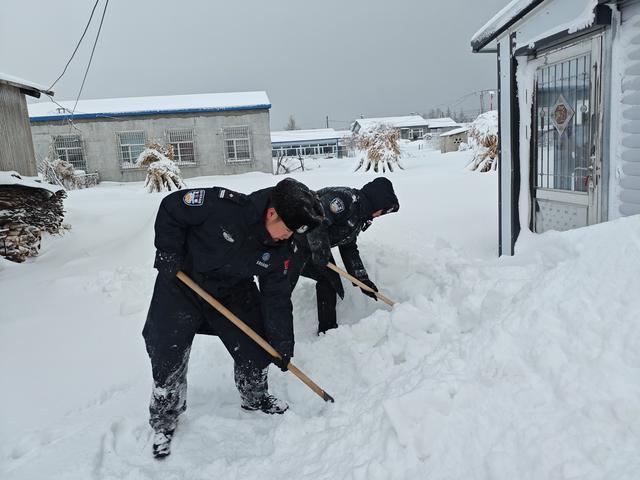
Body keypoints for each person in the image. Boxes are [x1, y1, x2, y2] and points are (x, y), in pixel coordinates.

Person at [142, 177, 324, 459]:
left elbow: (276, 297)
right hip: (182, 283)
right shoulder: (222, 206)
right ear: (272, 212)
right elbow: (172, 207)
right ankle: (165, 419)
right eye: (286, 230)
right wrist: (168, 251)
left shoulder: (282, 247)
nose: (287, 237)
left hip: (231, 289)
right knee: (167, 353)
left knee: (259, 347)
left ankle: (255, 396)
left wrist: (282, 344)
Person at [288, 177, 399, 334]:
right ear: (377, 201)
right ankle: (267, 332)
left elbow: (348, 247)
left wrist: (362, 280)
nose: (381, 215)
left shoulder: (359, 216)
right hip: (293, 242)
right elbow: (315, 219)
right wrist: (320, 249)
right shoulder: (343, 200)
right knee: (281, 288)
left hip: (314, 248)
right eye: (384, 210)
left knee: (329, 281)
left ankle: (328, 332)